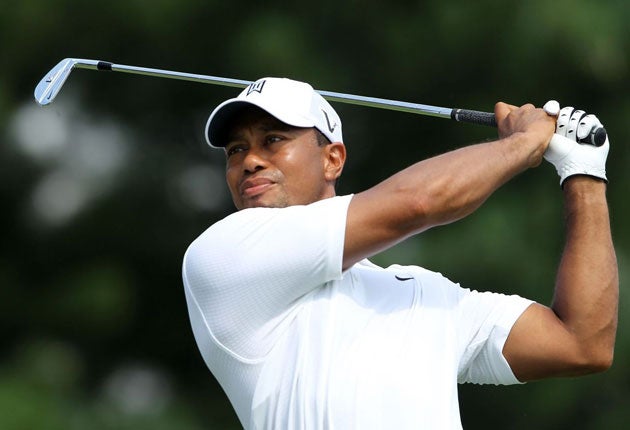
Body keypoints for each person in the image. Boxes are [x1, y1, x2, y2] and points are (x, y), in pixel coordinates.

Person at [181, 77, 618, 429]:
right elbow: (418, 204)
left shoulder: (422, 292)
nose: (250, 161)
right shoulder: (223, 255)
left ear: (332, 159)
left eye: (273, 139)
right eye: (236, 150)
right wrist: (522, 143)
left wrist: (582, 172)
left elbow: (582, 344)